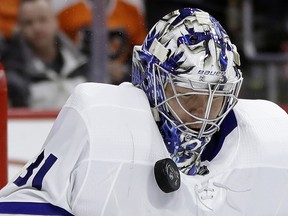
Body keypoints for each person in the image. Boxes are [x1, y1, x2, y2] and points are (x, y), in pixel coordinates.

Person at [0, 7, 288, 215]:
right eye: (189, 96)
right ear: (151, 81)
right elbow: (22, 205)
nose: (205, 113)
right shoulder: (101, 121)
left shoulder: (271, 137)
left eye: (218, 98)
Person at [1, 0, 88, 109]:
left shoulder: (84, 61)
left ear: (56, 21)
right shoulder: (13, 74)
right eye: (28, 22)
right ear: (20, 28)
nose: (37, 28)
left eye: (43, 20)